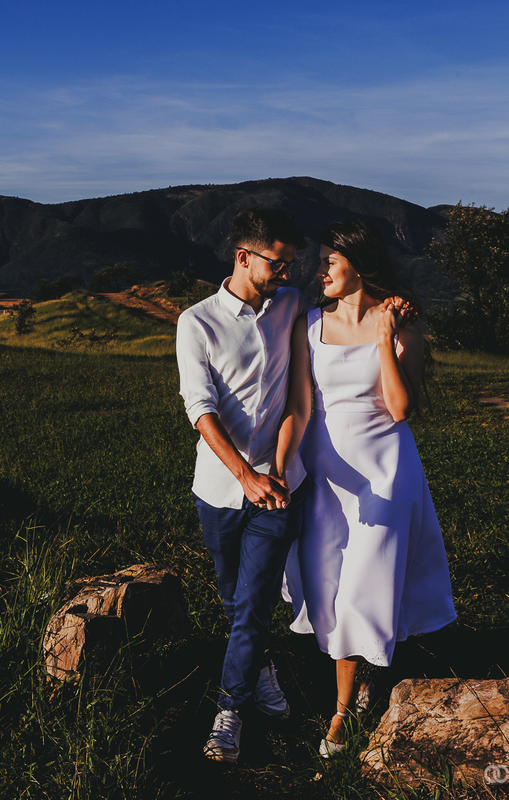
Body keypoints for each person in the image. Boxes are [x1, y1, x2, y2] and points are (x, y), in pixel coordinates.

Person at [278, 218, 456, 757]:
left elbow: (401, 408)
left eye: (330, 260)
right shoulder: (309, 324)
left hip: (384, 471)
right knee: (329, 585)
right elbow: (301, 405)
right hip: (328, 476)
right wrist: (284, 468)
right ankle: (363, 682)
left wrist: (384, 340)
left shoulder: (401, 325)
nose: (320, 270)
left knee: (363, 585)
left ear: (357, 262)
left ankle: (339, 716)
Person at [176, 208, 310, 764]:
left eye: (290, 264)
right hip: (219, 486)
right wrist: (243, 476)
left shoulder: (292, 306)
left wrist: (398, 304)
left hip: (278, 485)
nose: (285, 272)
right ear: (243, 257)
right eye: (277, 263)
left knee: (253, 600)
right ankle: (263, 666)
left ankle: (228, 711)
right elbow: (200, 409)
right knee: (236, 599)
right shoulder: (197, 322)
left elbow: (352, 303)